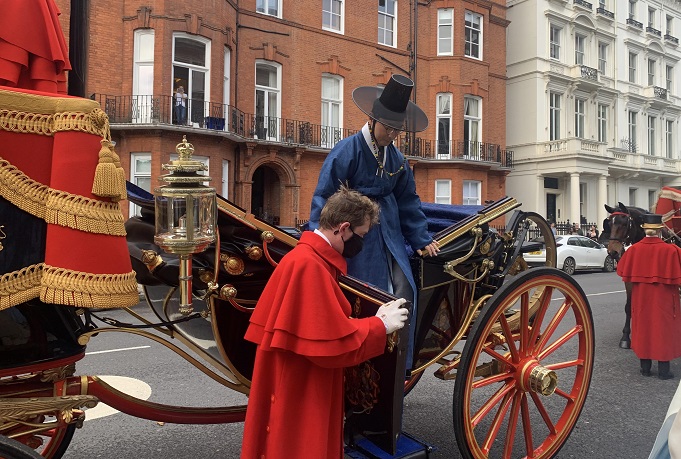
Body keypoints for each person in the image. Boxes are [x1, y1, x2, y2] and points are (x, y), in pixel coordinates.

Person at [241, 186, 410, 459]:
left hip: (295, 375)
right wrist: (381, 325)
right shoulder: (310, 266)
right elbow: (333, 342)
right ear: (343, 228)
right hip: (303, 383)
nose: (361, 244)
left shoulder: (306, 257)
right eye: (361, 235)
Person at [308, 74, 439, 371]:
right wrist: (319, 241)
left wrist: (420, 238)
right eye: (389, 127)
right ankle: (360, 358)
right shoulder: (347, 149)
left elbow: (408, 200)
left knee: (405, 287)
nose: (392, 134)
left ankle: (397, 362)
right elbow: (325, 196)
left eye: (397, 129)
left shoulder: (397, 159)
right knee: (365, 291)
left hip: (389, 231)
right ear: (372, 119)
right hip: (356, 233)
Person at [616, 213, 681, 380]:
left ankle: (645, 368)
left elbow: (622, 271)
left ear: (644, 230)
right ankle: (664, 371)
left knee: (643, 328)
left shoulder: (633, 251)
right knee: (664, 330)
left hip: (641, 298)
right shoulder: (672, 251)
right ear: (659, 230)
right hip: (665, 299)